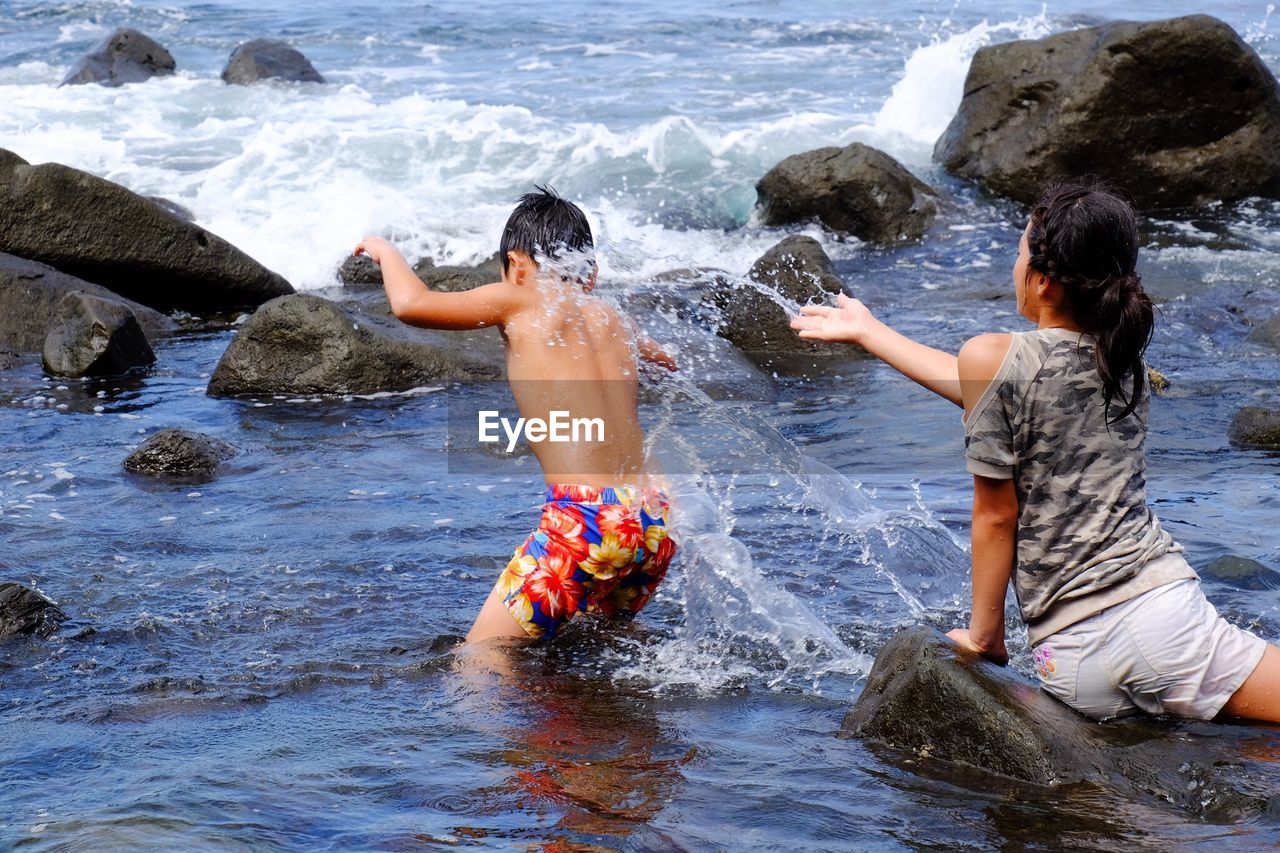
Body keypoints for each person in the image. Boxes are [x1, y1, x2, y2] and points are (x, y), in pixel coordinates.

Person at [791, 179, 1280, 724]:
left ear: (1044, 282)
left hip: (1067, 659)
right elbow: (988, 402)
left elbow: (996, 504)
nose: (1015, 263)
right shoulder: (1127, 364)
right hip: (1158, 623)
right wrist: (869, 331)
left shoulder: (993, 358)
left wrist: (985, 638)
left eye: (1020, 252)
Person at [355, 187, 678, 644]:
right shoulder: (614, 317)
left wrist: (386, 251)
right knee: (601, 647)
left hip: (587, 521)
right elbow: (667, 365)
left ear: (517, 265)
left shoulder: (519, 299)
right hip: (653, 522)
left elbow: (411, 305)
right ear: (589, 273)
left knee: (484, 655)